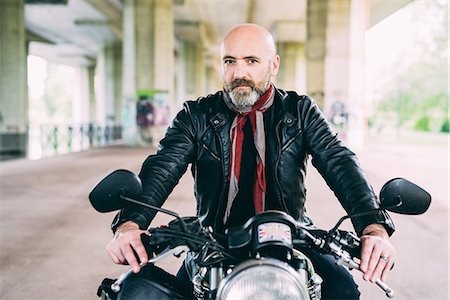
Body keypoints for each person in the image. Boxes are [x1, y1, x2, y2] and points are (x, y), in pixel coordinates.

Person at [106, 23, 396, 299]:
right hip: (213, 240)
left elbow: (340, 163)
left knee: (342, 290)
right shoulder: (196, 116)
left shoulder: (300, 111)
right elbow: (162, 167)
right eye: (230, 61)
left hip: (292, 237)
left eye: (251, 61)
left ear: (274, 64)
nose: (239, 72)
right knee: (144, 290)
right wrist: (131, 223)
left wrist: (373, 228)